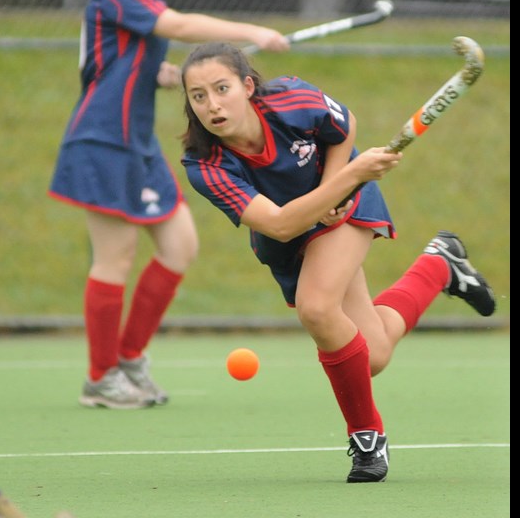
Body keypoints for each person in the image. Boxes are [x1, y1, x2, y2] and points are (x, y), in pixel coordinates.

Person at [179, 41, 496, 482]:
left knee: (317, 308)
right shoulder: (205, 164)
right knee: (373, 355)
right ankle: (440, 266)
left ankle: (367, 438)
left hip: (347, 208)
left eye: (221, 88)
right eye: (199, 96)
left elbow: (342, 125)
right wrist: (344, 180)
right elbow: (280, 225)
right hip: (291, 235)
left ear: (248, 86)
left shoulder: (290, 98)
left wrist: (338, 186)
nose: (212, 104)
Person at [48, 0, 291, 410]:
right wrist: (250, 34)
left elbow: (143, 62)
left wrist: (178, 76)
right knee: (115, 257)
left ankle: (129, 357)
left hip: (138, 144)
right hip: (101, 140)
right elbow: (176, 27)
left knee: (179, 245)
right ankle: (100, 378)